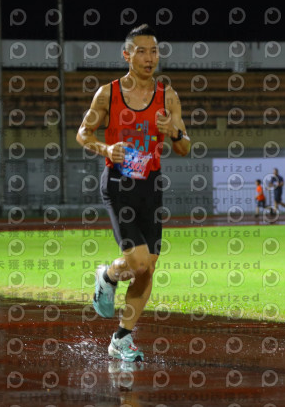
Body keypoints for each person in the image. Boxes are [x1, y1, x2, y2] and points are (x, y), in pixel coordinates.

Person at [76, 24, 190, 362]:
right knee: (138, 261)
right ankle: (108, 275)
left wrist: (175, 132)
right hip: (119, 184)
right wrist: (106, 149)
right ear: (127, 55)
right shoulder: (108, 94)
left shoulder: (167, 96)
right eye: (142, 51)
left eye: (154, 51)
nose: (149, 58)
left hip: (150, 186)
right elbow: (83, 133)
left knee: (148, 268)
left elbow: (184, 146)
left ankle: (122, 338)